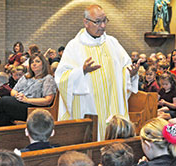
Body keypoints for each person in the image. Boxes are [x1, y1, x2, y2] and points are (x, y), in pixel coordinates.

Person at [55, 4, 139, 140]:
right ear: (86, 23)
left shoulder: (113, 43)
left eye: (105, 20)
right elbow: (61, 78)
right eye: (98, 22)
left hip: (112, 104)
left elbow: (124, 69)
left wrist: (131, 73)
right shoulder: (74, 46)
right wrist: (81, 71)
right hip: (88, 106)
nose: (103, 26)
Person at [0, 53, 57, 127]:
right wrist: (17, 95)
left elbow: (48, 100)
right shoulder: (26, 76)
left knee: (4, 101)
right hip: (20, 101)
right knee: (0, 115)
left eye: (37, 61)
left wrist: (27, 100)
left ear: (44, 64)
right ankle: (1, 134)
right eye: (32, 62)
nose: (34, 64)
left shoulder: (47, 78)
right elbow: (13, 91)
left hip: (33, 107)